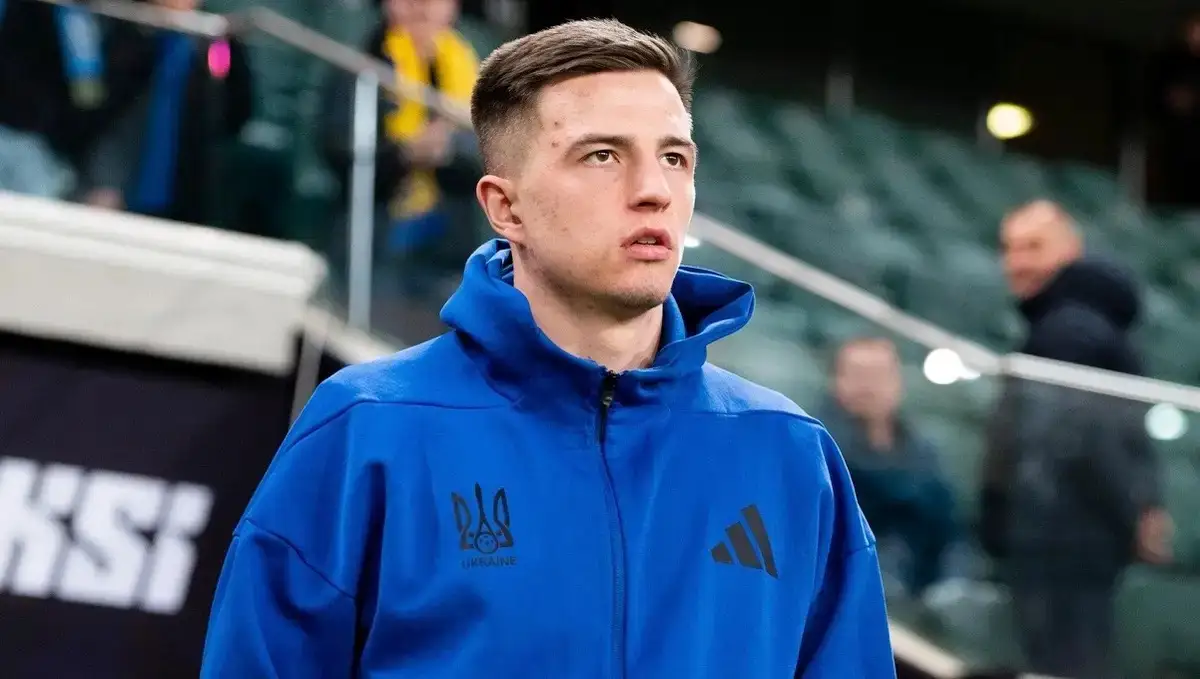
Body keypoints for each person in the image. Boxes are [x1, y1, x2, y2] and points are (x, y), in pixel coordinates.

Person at [200, 19, 894, 678]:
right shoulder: (368, 427)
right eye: (602, 156)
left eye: (674, 157)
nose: (653, 191)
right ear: (506, 208)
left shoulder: (788, 452)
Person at [980, 199, 1170, 678]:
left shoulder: (1066, 331)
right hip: (1083, 540)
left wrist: (1132, 512)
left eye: (1033, 247)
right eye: (1009, 248)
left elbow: (1080, 440)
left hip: (1059, 540)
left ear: (1070, 251)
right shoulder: (1084, 323)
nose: (1016, 262)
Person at [320, 0, 483, 293]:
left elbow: (492, 158)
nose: (422, 7)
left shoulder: (473, 70)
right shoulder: (361, 65)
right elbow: (340, 152)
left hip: (450, 243)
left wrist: (451, 148)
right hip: (377, 234)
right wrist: (406, 153)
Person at [76, 0, 253, 224]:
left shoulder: (215, 40)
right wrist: (103, 179)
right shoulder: (124, 25)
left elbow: (234, 113)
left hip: (185, 190)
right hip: (115, 183)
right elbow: (99, 109)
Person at [816, 337, 960, 599]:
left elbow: (948, 526)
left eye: (878, 376)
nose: (868, 387)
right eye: (858, 375)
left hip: (920, 581)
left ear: (898, 382)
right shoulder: (820, 444)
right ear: (836, 381)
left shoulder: (921, 448)